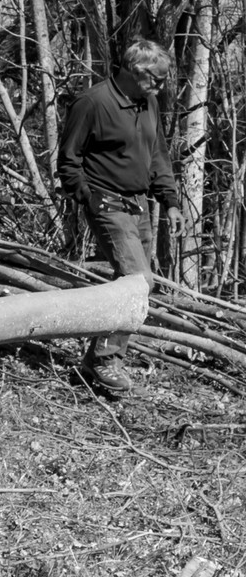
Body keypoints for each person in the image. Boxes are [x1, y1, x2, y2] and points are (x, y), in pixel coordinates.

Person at [57, 38, 178, 399]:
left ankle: (97, 358)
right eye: (155, 79)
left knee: (131, 281)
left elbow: (156, 154)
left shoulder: (149, 103)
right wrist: (89, 199)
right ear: (133, 70)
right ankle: (105, 359)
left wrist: (169, 199)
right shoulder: (94, 103)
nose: (160, 86)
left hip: (139, 205)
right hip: (108, 205)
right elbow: (68, 160)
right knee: (137, 281)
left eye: (162, 80)